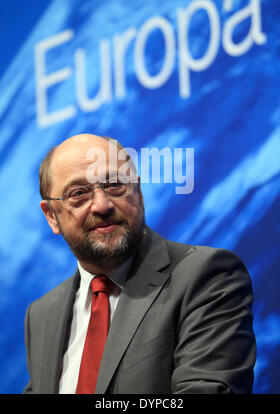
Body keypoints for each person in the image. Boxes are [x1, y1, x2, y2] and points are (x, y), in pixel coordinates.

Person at [23, 133, 256, 394]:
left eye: (114, 184)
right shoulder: (42, 315)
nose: (102, 205)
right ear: (51, 216)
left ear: (139, 192)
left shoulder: (207, 276)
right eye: (78, 193)